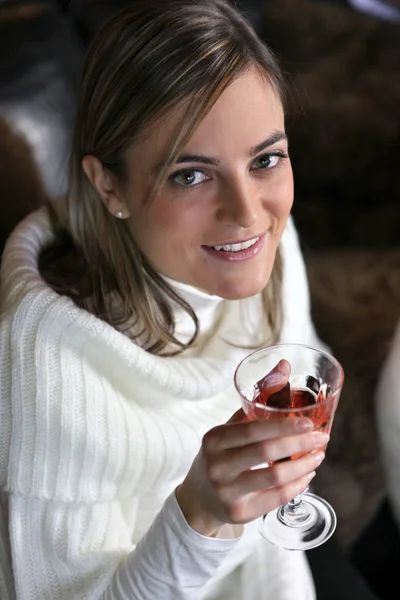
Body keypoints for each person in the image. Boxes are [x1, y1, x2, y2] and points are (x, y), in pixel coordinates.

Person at [0, 1, 380, 599]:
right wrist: (201, 515)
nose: (250, 214)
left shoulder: (269, 244)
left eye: (265, 159)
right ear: (109, 186)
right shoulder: (45, 360)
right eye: (190, 174)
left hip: (268, 546)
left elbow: (305, 360)